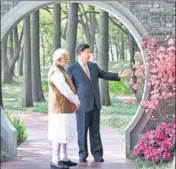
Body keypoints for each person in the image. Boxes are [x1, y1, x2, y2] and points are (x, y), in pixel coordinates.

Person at [67, 44, 130, 162]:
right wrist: (74, 101)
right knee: (82, 131)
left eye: (90, 52)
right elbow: (70, 87)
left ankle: (97, 154)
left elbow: (104, 74)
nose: (89, 54)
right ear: (80, 53)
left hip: (95, 103)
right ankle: (82, 154)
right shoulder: (72, 68)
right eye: (87, 52)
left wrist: (118, 75)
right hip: (82, 104)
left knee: (95, 131)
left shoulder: (93, 66)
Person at [48, 48, 80, 169]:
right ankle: (55, 161)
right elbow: (64, 90)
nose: (67, 61)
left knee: (64, 134)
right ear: (58, 59)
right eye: (65, 59)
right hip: (59, 109)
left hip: (64, 108)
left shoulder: (61, 69)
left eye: (67, 59)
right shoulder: (56, 72)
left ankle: (63, 158)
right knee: (58, 134)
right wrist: (76, 100)